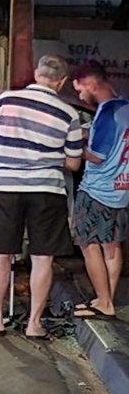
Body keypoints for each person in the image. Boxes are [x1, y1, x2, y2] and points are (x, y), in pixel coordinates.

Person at [0, 55, 83, 339]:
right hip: (47, 191)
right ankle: (34, 324)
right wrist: (46, 153)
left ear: (37, 74)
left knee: (0, 255)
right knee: (42, 257)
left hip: (6, 188)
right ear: (60, 82)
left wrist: (13, 148)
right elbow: (73, 164)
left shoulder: (5, 101)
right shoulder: (69, 114)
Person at [70, 61, 129, 319]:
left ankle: (104, 302)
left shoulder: (106, 113)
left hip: (97, 190)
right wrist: (86, 132)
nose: (80, 96)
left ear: (91, 83)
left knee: (88, 244)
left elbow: (97, 156)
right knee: (112, 245)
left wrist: (71, 148)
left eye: (80, 90)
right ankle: (107, 299)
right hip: (121, 188)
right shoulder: (125, 108)